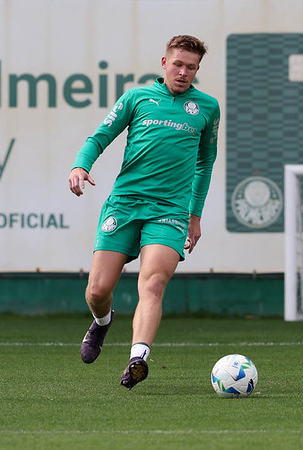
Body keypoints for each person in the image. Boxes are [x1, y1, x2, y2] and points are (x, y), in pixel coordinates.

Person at [68, 35, 220, 390]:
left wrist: (194, 215)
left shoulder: (207, 108)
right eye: (178, 64)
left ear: (198, 70)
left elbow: (206, 163)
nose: (184, 72)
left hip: (169, 211)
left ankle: (138, 358)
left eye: (191, 67)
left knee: (152, 284)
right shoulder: (137, 98)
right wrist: (80, 166)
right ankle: (103, 322)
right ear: (164, 63)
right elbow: (99, 137)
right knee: (97, 290)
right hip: (124, 204)